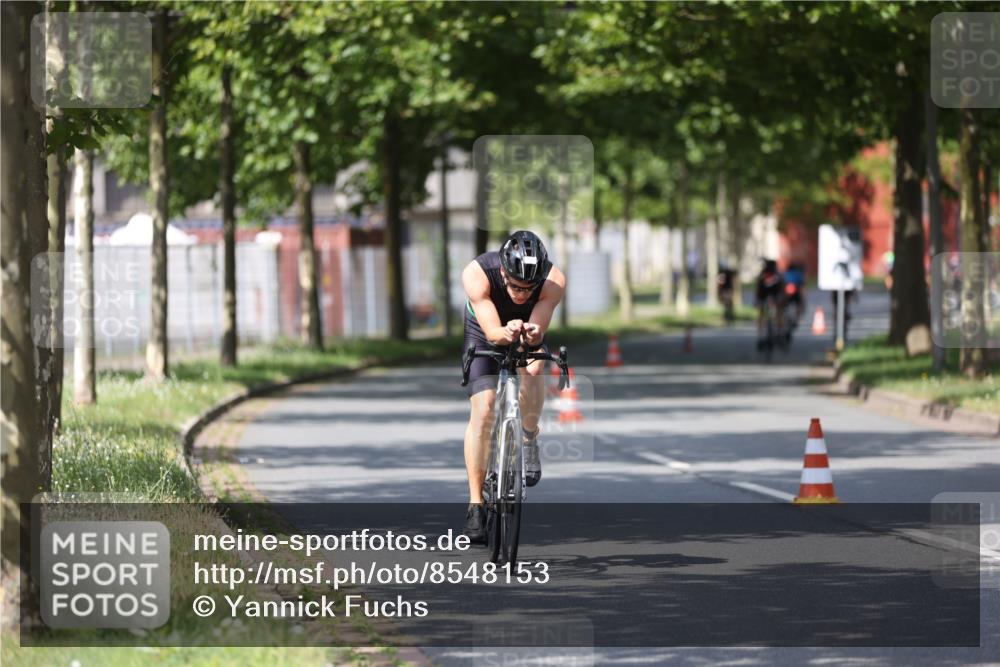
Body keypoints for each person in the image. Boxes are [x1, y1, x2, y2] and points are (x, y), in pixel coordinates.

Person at [460, 231, 566, 542]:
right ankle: (476, 505)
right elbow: (493, 333)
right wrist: (505, 331)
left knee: (533, 371)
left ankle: (529, 437)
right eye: (515, 287)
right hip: (485, 329)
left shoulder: (553, 280)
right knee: (485, 409)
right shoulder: (477, 273)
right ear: (503, 272)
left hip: (527, 326)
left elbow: (537, 331)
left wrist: (531, 334)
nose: (521, 294)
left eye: (528, 289)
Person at [755, 259, 787, 349]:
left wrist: (757, 300)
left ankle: (761, 336)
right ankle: (780, 332)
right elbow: (783, 289)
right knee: (779, 313)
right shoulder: (778, 275)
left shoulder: (762, 275)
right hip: (773, 297)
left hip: (765, 297)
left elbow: (758, 289)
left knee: (762, 314)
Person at [783, 262, 806, 326]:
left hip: (787, 293)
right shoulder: (799, 274)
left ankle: (785, 316)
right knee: (799, 304)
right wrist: (803, 298)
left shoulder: (785, 274)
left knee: (783, 305)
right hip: (795, 293)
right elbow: (802, 287)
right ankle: (797, 318)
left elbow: (782, 285)